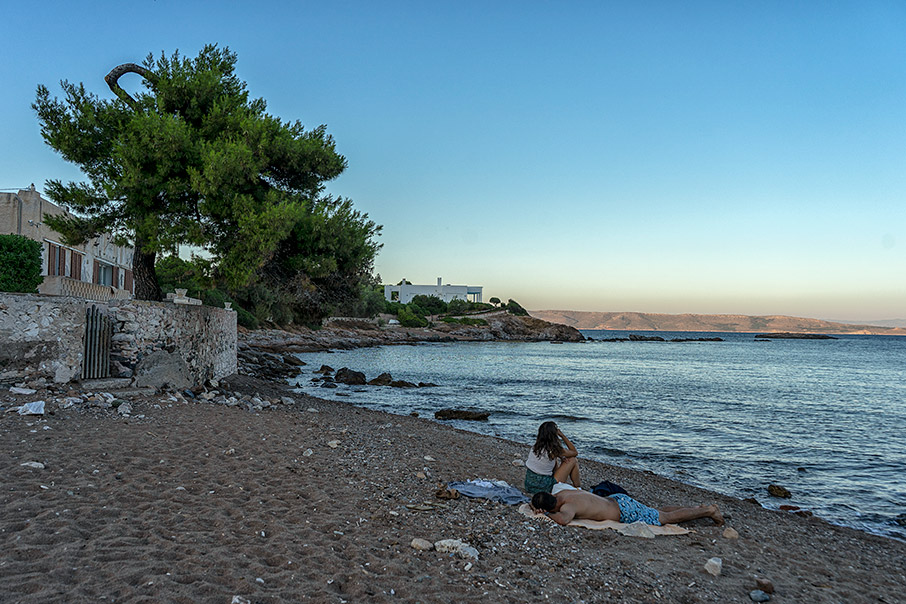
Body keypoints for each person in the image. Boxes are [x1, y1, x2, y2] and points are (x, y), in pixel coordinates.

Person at [530, 488, 724, 526]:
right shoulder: (563, 493)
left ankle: (708, 511)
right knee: (657, 510)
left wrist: (545, 514)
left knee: (664, 519)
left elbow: (563, 520)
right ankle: (699, 507)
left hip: (624, 511)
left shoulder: (567, 507)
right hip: (617, 498)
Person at [524, 421, 581, 494]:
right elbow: (574, 452)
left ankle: (575, 487)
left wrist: (560, 457)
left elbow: (550, 458)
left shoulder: (536, 446)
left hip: (529, 485)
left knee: (556, 461)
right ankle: (578, 488)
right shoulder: (554, 449)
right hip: (545, 487)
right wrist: (562, 436)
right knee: (573, 460)